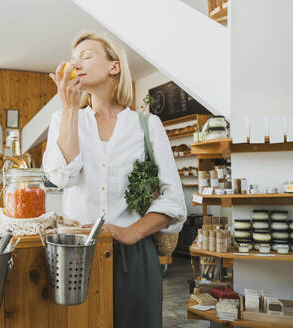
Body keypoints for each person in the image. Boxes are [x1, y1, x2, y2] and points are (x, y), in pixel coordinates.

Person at [42, 32, 186, 328]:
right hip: (77, 255)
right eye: (72, 59)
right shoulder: (64, 119)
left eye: (86, 55)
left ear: (114, 67)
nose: (75, 64)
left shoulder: (148, 125)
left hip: (135, 256)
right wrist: (70, 108)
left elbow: (173, 199)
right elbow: (62, 177)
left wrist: (132, 232)